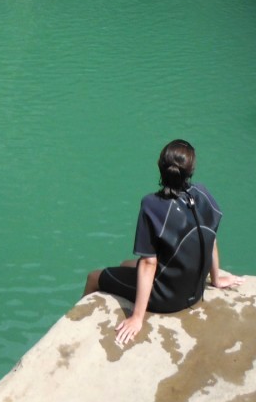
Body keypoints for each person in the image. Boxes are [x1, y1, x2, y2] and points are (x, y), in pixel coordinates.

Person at [83, 139, 243, 347]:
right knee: (125, 263)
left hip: (167, 299)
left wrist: (137, 318)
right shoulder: (202, 193)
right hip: (194, 292)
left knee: (94, 277)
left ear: (160, 166)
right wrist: (216, 279)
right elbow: (209, 235)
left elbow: (149, 263)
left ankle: (80, 330)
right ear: (190, 170)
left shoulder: (152, 204)